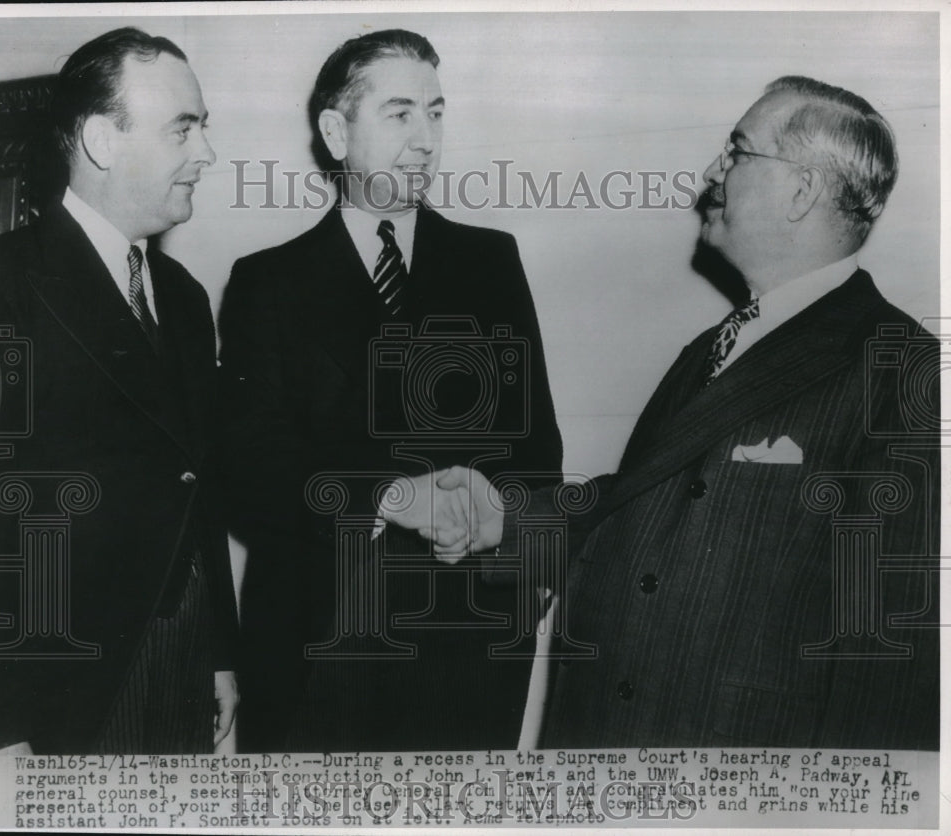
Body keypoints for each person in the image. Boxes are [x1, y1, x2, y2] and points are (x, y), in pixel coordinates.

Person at [400, 76, 939, 749]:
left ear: (801, 191)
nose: (713, 171)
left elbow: (894, 647)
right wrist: (502, 520)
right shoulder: (712, 347)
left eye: (739, 152)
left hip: (737, 782)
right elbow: (637, 508)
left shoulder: (898, 363)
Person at [217, 29, 562, 751]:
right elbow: (252, 468)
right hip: (318, 642)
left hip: (466, 641)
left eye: (437, 113)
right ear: (336, 132)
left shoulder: (491, 260)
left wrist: (505, 544)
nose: (427, 138)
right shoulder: (266, 281)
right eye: (401, 113)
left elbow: (536, 453)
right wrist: (394, 495)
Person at [0, 27, 238, 754]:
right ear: (101, 140)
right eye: (184, 128)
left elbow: (195, 483)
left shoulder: (182, 296)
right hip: (60, 688)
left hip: (181, 662)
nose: (206, 154)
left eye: (203, 129)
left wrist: (218, 654)